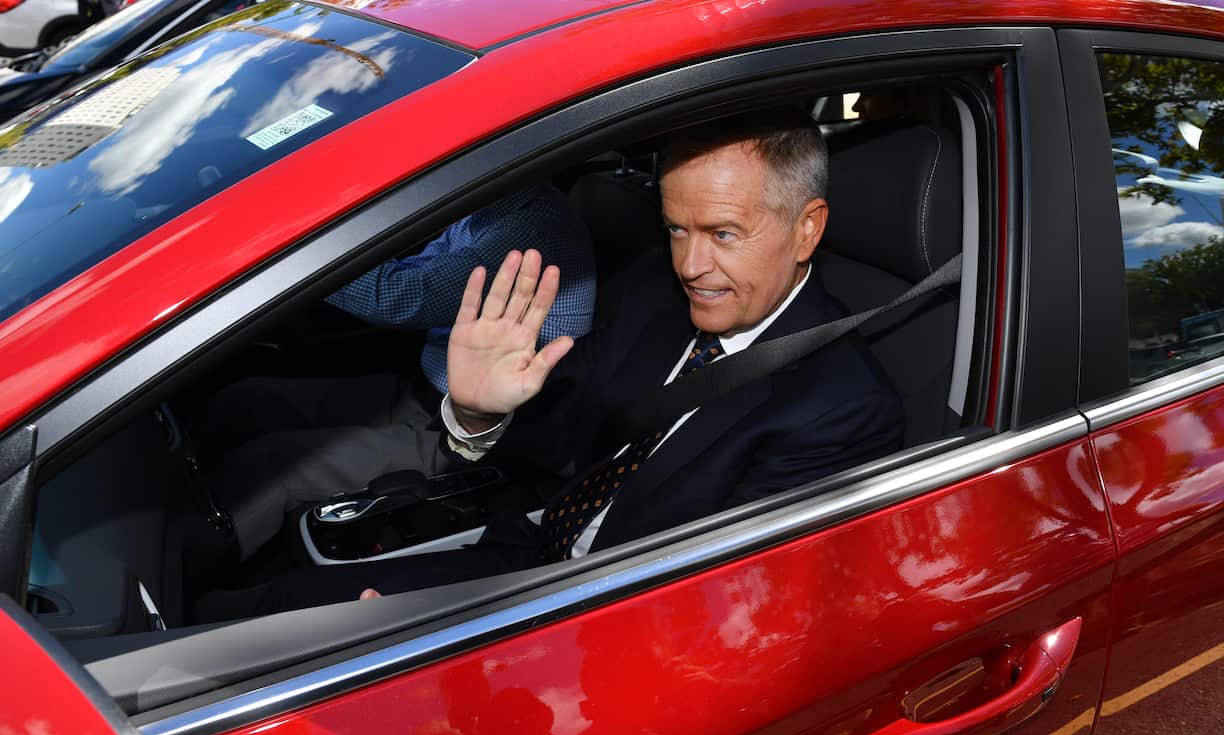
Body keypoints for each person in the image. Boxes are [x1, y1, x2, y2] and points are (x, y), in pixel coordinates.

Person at [215, 109, 904, 617]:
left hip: (584, 617)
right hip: (523, 546)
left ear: (806, 227)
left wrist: (446, 642)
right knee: (273, 607)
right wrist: (478, 412)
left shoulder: (840, 409)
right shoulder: (649, 294)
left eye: (723, 234)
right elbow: (563, 443)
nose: (691, 267)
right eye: (675, 229)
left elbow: (723, 612)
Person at [189, 183, 595, 562]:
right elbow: (421, 268)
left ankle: (191, 562)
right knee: (247, 402)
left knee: (269, 470)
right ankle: (180, 491)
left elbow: (402, 297)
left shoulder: (534, 227)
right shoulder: (490, 203)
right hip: (426, 392)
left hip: (475, 433)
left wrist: (298, 250)